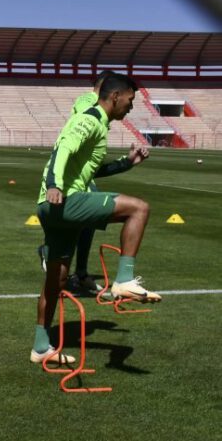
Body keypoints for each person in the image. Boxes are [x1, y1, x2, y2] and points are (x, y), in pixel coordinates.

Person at [31, 73, 157, 365]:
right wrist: (54, 184)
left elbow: (89, 171)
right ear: (115, 97)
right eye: (130, 100)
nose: (131, 107)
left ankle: (40, 347)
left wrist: (127, 163)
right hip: (64, 200)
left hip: (55, 207)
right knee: (139, 208)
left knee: (57, 279)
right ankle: (124, 279)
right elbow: (62, 148)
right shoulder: (90, 118)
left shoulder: (99, 124)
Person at [37, 69, 117, 297]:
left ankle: (77, 271)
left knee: (85, 222)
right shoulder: (88, 102)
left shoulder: (100, 113)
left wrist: (125, 163)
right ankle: (73, 268)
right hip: (71, 175)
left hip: (81, 173)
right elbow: (76, 134)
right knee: (85, 215)